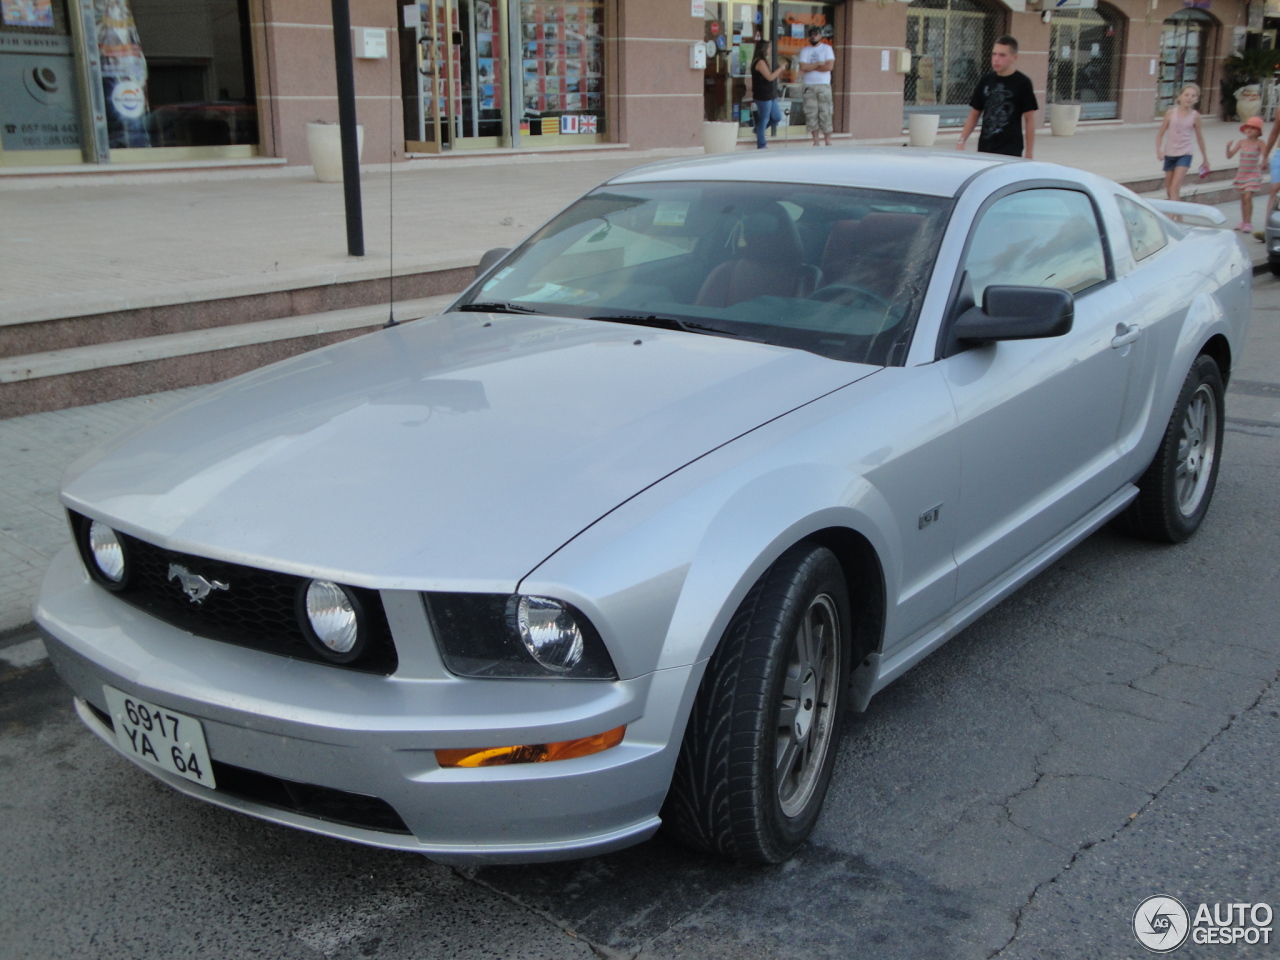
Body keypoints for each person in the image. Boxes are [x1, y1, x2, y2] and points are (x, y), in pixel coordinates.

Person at [955, 36, 1038, 158]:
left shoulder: (1023, 83)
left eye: (1002, 55)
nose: (996, 59)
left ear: (1014, 57)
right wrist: (961, 140)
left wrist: (1029, 152)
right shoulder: (986, 81)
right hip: (985, 148)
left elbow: (1029, 119)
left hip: (1010, 149)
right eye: (994, 54)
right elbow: (974, 114)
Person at [1155, 83, 1209, 201]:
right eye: (1187, 95)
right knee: (1170, 190)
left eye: (1193, 96)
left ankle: (1171, 217)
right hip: (1169, 154)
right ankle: (1179, 215)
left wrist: (1205, 159)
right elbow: (1160, 134)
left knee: (1175, 187)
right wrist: (1159, 150)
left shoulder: (1196, 116)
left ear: (1196, 99)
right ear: (1180, 96)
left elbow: (1200, 138)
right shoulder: (1170, 113)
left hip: (1185, 153)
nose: (1189, 98)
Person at [796, 26, 834, 147]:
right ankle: (816, 141)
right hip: (809, 86)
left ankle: (828, 141)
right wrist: (818, 64)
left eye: (816, 34)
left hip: (824, 85)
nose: (814, 36)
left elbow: (829, 67)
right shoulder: (805, 50)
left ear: (820, 36)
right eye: (812, 34)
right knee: (811, 113)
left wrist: (810, 67)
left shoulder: (827, 49)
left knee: (825, 112)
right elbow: (802, 67)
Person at [1228, 116, 1265, 233]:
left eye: (1253, 128)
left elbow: (1265, 155)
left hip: (1253, 174)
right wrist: (1227, 148)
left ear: (1258, 131)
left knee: (1248, 197)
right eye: (1247, 128)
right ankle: (1243, 221)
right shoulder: (1241, 142)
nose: (1249, 130)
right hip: (1242, 173)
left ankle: (1248, 222)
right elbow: (1229, 156)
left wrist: (1264, 162)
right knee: (1243, 199)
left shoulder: (1260, 143)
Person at [751, 41, 785, 149]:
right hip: (762, 95)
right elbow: (769, 77)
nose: (770, 49)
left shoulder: (764, 61)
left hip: (770, 94)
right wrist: (781, 68)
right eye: (769, 47)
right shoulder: (759, 62)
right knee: (764, 118)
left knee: (777, 116)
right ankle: (761, 144)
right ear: (764, 49)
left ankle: (758, 130)